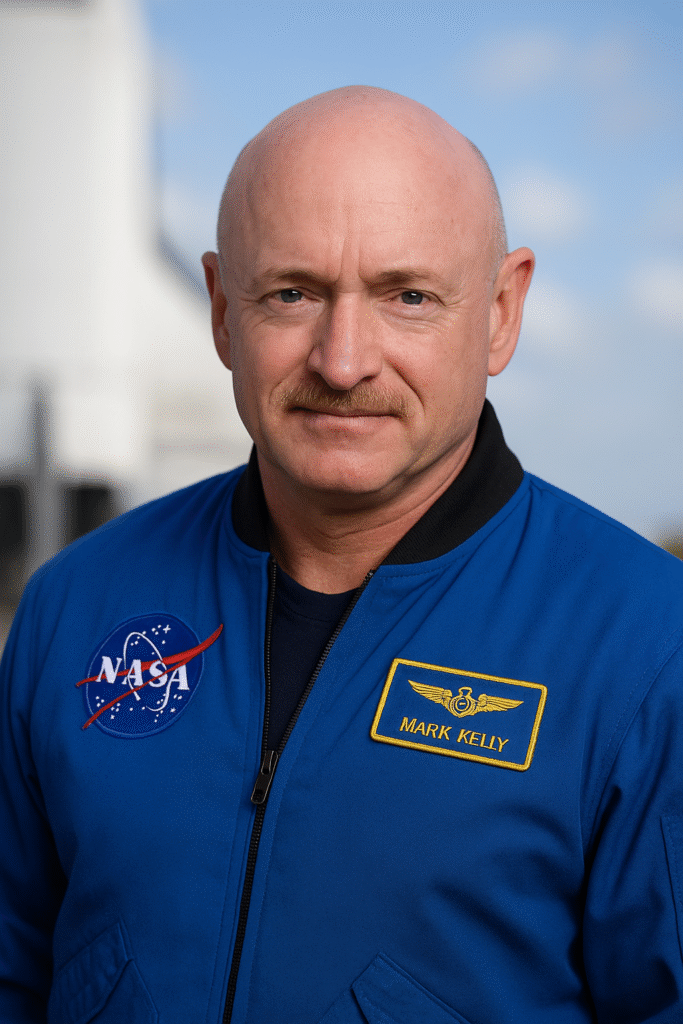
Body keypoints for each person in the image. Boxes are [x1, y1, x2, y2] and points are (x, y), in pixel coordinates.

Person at [1, 86, 681, 1024]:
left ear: (499, 311)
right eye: (293, 293)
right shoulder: (74, 608)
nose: (343, 359)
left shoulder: (646, 649)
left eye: (408, 297)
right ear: (221, 310)